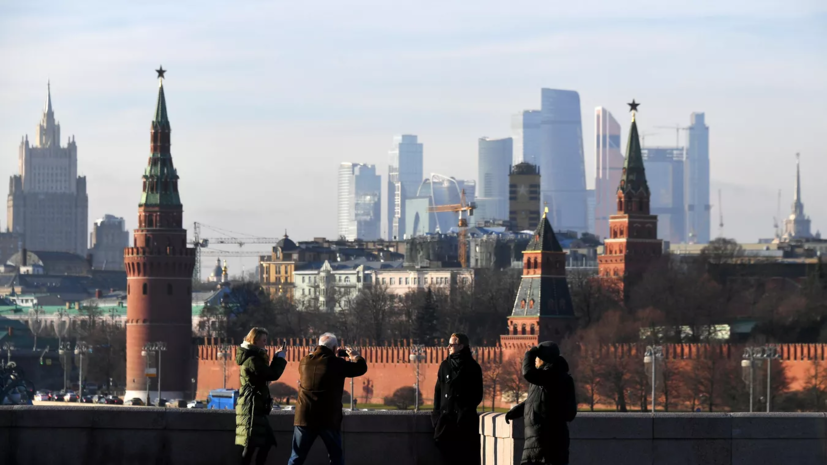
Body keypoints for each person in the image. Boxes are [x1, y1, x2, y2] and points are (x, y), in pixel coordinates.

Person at [289, 332, 368, 465]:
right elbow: (360, 368)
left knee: (296, 457)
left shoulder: (304, 361)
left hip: (304, 416)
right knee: (335, 457)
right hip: (328, 418)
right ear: (335, 348)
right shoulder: (337, 363)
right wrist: (355, 356)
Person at [505, 341, 577, 465]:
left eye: (536, 357)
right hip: (536, 442)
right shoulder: (544, 377)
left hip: (548, 443)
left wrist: (529, 353)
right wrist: (516, 411)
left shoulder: (555, 376)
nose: (535, 360)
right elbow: (536, 400)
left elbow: (528, 373)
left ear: (542, 358)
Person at [235, 327, 287, 465]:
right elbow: (271, 374)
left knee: (265, 442)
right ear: (255, 340)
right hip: (251, 406)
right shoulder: (252, 359)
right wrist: (280, 359)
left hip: (256, 406)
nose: (266, 343)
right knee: (250, 445)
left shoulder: (254, 357)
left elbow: (266, 373)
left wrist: (276, 358)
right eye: (263, 340)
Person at [432, 333, 484, 464]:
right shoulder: (445, 366)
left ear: (461, 346)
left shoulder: (473, 367)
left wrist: (464, 411)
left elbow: (477, 395)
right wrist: (436, 417)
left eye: (451, 344)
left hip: (464, 424)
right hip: (445, 423)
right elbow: (438, 391)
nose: (448, 347)